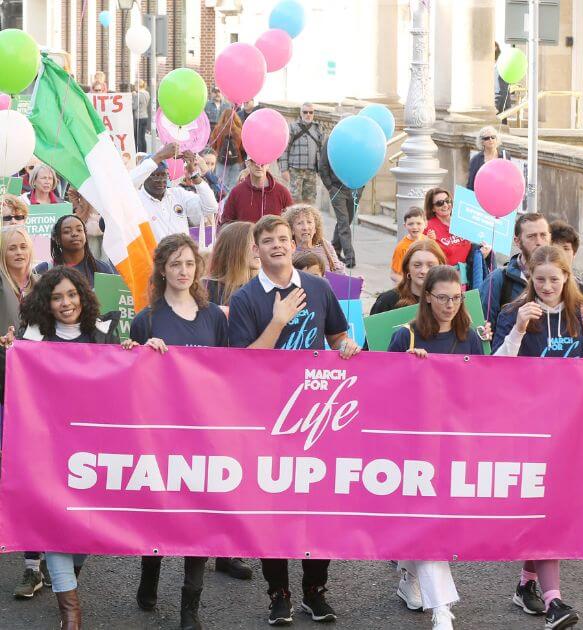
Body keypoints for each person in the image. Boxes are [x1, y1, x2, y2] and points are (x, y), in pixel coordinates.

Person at [226, 216, 359, 623]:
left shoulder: (318, 287)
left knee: (317, 508)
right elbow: (245, 362)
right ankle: (277, 594)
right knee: (274, 510)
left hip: (317, 416)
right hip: (268, 418)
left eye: (284, 238)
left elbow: (337, 334)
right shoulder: (247, 297)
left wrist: (346, 344)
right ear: (257, 249)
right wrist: (279, 319)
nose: (279, 246)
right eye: (269, 241)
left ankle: (314, 591)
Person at [0, 266, 137, 628]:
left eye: (71, 295)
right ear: (47, 302)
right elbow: (14, 387)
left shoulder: (106, 333)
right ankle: (70, 613)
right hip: (47, 449)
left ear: (83, 296)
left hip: (94, 449)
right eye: (57, 297)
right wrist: (8, 353)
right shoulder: (32, 337)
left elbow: (125, 385)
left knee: (87, 526)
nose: (66, 303)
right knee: (56, 523)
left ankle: (66, 573)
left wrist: (134, 353)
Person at [126, 234, 229, 630]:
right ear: (162, 270)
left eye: (189, 263)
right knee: (160, 512)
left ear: (197, 268)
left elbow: (228, 373)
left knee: (198, 517)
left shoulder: (214, 317)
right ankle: (148, 576)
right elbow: (128, 377)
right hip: (161, 433)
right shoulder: (147, 319)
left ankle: (191, 608)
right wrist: (139, 353)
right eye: (175, 265)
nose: (183, 271)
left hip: (203, 433)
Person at [385, 264, 479, 630]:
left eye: (456, 298)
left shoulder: (470, 337)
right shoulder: (404, 336)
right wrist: (410, 372)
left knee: (432, 523)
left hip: (453, 443)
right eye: (442, 298)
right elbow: (383, 392)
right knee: (427, 521)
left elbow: (478, 390)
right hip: (412, 445)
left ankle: (409, 577)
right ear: (426, 297)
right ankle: (442, 608)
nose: (450, 305)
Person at [493, 245, 583, 358]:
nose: (547, 287)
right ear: (531, 276)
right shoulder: (511, 313)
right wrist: (518, 330)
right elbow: (496, 367)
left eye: (554, 279)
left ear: (565, 276)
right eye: (540, 279)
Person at [131, 148, 218, 240]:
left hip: (182, 253)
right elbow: (127, 183)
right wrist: (160, 156)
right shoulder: (136, 199)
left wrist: (194, 174)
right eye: (155, 175)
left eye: (164, 174)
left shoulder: (178, 194)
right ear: (144, 176)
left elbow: (211, 207)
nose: (161, 180)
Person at [481, 212, 551, 324]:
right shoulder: (497, 279)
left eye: (543, 235)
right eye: (531, 236)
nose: (539, 242)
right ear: (517, 241)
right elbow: (484, 330)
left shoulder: (560, 279)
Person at [315, 121, 364, 269]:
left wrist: (361, 185)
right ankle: (350, 257)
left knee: (346, 221)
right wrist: (330, 187)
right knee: (343, 222)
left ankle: (334, 249)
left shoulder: (359, 142)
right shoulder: (332, 141)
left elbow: (365, 162)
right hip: (338, 189)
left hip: (355, 188)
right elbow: (322, 165)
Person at [33, 214, 117, 286]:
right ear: (57, 239)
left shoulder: (103, 269)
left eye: (79, 230)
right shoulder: (43, 270)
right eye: (67, 231)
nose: (74, 234)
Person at [371, 239, 446, 315]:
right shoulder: (387, 301)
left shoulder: (450, 301)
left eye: (430, 265)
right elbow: (372, 326)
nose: (423, 271)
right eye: (417, 265)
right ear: (407, 268)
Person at [219, 158, 294, 225]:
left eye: (263, 162)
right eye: (254, 161)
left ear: (268, 165)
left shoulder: (282, 192)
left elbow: (292, 223)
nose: (258, 165)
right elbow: (226, 223)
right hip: (246, 240)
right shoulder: (237, 192)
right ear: (247, 163)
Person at [203, 221, 259, 307]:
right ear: (236, 249)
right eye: (254, 245)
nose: (260, 250)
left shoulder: (261, 288)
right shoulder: (205, 288)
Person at [277, 102, 324, 204]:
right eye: (305, 112)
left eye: (310, 112)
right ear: (300, 113)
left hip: (311, 171)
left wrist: (321, 169)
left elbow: (321, 150)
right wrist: (283, 169)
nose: (308, 114)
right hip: (295, 170)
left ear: (313, 113)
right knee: (294, 200)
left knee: (310, 201)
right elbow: (283, 149)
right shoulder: (292, 127)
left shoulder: (318, 129)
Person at [283, 204, 345, 274]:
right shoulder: (287, 251)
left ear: (315, 228)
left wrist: (356, 282)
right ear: (291, 230)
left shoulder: (325, 246)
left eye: (309, 222)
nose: (305, 227)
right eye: (299, 223)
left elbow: (339, 272)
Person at [0, 227, 36, 334]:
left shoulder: (42, 282)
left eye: (23, 247)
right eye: (12, 248)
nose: (19, 252)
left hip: (36, 349)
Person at [390, 206, 431, 284]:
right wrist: (409, 285)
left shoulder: (429, 242)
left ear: (425, 224)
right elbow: (394, 274)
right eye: (410, 224)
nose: (415, 227)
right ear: (405, 225)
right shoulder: (401, 247)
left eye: (419, 223)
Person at [209, 107, 245, 194]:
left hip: (221, 161)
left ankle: (220, 203)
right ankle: (230, 203)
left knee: (220, 184)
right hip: (236, 161)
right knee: (233, 185)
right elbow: (243, 148)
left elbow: (212, 145)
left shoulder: (217, 130)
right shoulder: (240, 131)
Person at [466, 126, 505, 190]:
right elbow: (470, 185)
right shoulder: (476, 160)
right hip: (482, 195)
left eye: (493, 137)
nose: (490, 140)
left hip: (500, 194)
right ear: (482, 142)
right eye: (487, 138)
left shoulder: (504, 156)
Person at [133, 79, 151, 153]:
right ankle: (144, 152)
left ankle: (139, 153)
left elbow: (134, 106)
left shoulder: (138, 95)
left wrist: (134, 96)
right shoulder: (147, 93)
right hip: (145, 116)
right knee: (143, 137)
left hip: (139, 117)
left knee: (138, 137)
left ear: (137, 85)